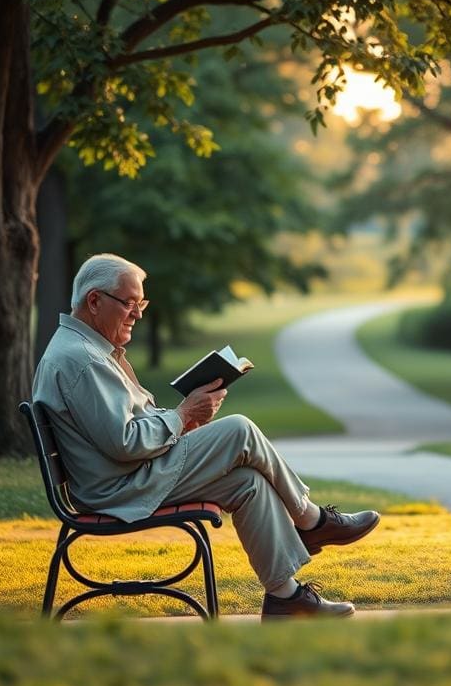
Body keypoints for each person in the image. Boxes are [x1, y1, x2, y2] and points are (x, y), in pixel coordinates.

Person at [32, 253, 380, 619]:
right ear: (94, 301)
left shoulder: (86, 350)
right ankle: (311, 520)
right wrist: (183, 416)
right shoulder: (83, 360)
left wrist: (185, 419)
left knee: (247, 482)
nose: (137, 314)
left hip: (130, 477)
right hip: (120, 488)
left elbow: (125, 431)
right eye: (129, 303)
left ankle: (285, 597)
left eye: (141, 303)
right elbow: (125, 443)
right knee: (239, 429)